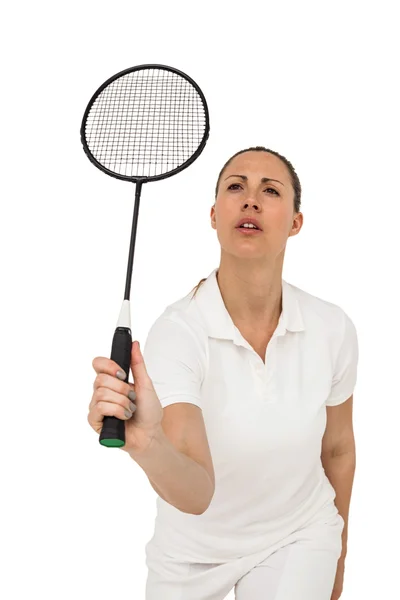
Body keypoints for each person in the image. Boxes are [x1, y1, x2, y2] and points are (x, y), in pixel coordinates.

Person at [88, 146, 359, 600]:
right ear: (214, 215)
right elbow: (196, 493)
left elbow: (337, 448)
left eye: (270, 190)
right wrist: (147, 444)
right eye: (236, 187)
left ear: (296, 222)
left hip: (299, 534)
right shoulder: (178, 334)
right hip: (192, 552)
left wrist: (339, 556)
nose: (250, 200)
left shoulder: (332, 327)